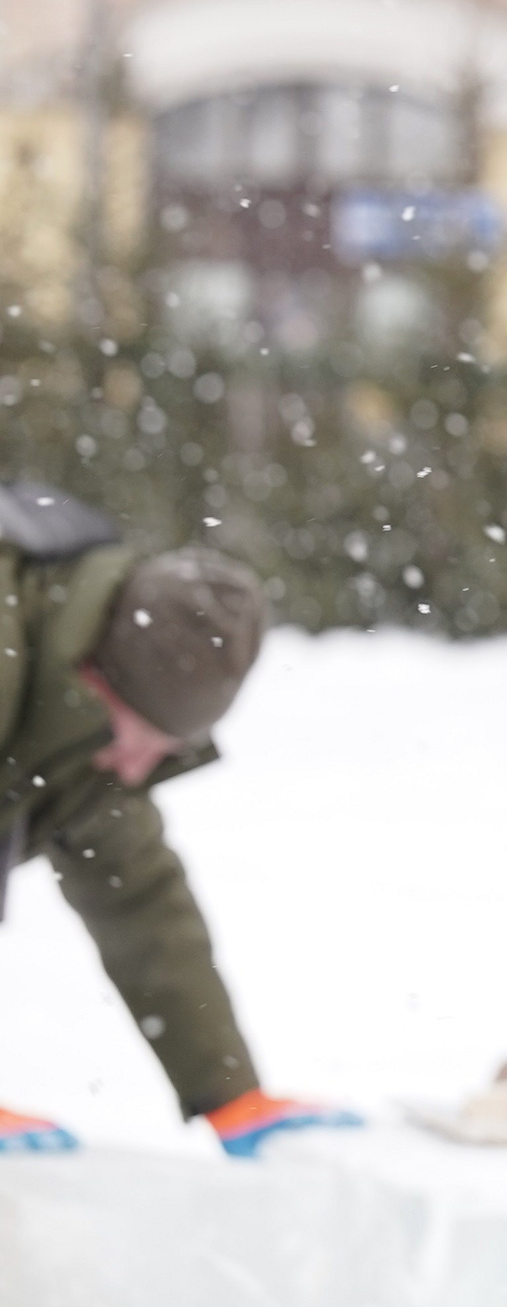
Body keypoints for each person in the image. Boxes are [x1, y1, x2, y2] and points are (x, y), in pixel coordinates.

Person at [0, 482, 359, 1155]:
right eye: (142, 737)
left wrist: (232, 1093)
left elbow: (141, 901)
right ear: (97, 679)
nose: (137, 769)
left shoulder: (85, 738)